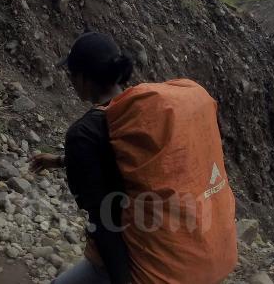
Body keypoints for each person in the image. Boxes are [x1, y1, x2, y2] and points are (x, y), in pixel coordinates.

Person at [30, 31, 237, 284]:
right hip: (199, 253)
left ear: (81, 78)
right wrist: (61, 161)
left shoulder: (83, 133)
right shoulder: (142, 115)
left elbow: (104, 223)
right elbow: (121, 163)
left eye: (71, 75)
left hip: (144, 264)